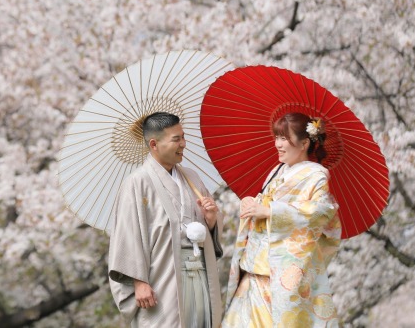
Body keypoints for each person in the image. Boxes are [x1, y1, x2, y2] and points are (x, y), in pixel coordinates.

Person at [222, 112, 342, 328]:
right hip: (254, 269)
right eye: (276, 137)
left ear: (304, 143)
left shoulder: (316, 175)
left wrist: (271, 212)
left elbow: (321, 212)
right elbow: (264, 202)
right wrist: (252, 204)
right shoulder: (277, 170)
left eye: (284, 139)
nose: (277, 144)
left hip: (280, 274)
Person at [108, 112, 224, 328]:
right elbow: (127, 235)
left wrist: (211, 220)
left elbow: (204, 229)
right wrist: (139, 282)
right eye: (176, 139)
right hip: (162, 276)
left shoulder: (192, 177)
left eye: (183, 136)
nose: (183, 144)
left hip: (199, 271)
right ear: (154, 144)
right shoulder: (137, 183)